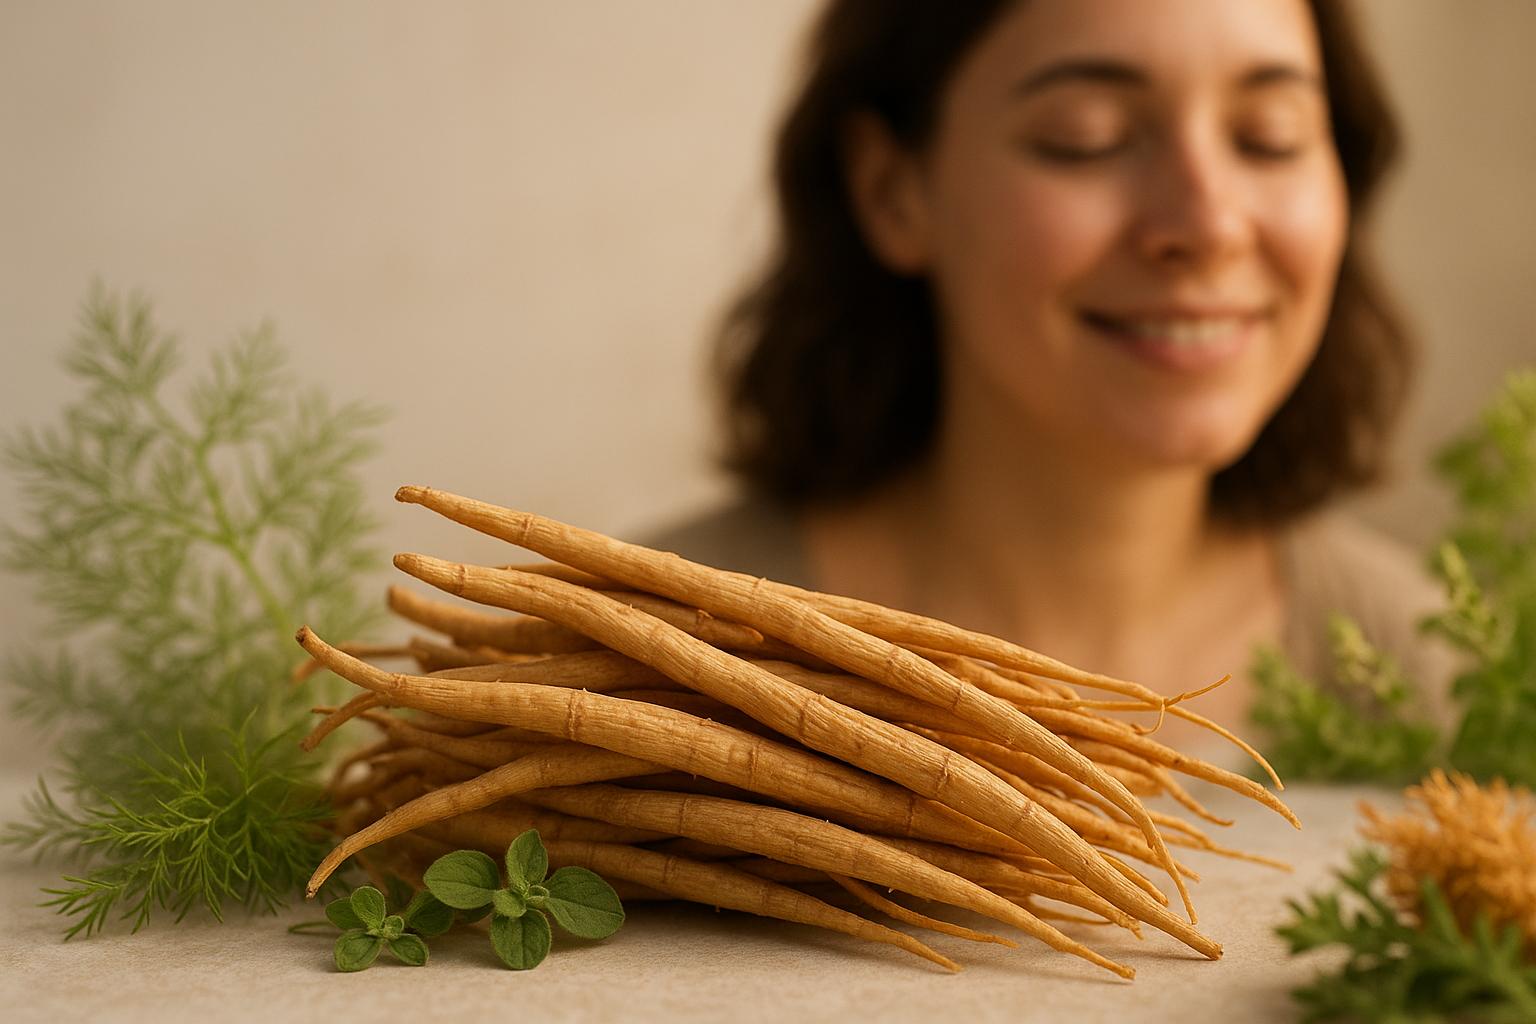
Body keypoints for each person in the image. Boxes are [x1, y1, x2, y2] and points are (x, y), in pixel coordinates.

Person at [647, 0, 1454, 756]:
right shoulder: (645, 665)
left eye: (1268, 137)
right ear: (892, 192)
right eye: (1086, 138)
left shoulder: (1441, 679)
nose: (1208, 225)